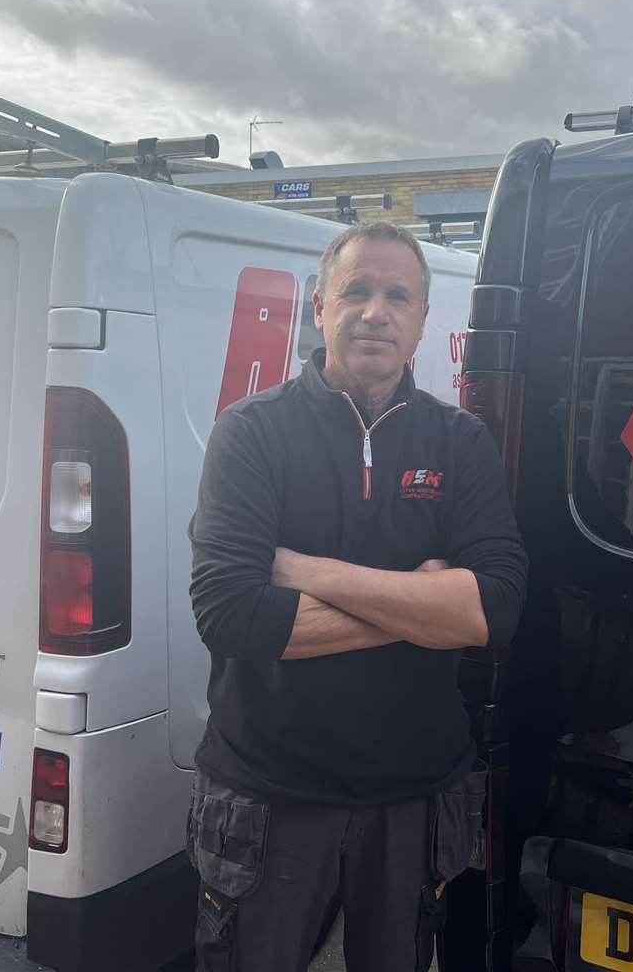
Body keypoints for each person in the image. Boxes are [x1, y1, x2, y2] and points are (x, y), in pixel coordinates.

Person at [187, 221, 528, 970]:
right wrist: (425, 607)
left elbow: (494, 610)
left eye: (398, 296)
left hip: (413, 799)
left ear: (422, 321)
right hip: (267, 796)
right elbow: (231, 614)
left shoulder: (459, 442)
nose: (376, 311)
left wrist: (306, 572)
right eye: (358, 291)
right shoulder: (251, 434)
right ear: (319, 308)